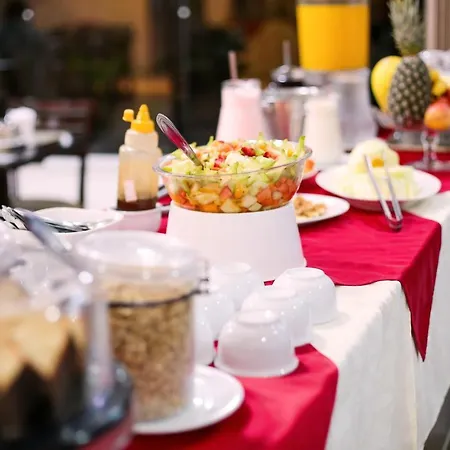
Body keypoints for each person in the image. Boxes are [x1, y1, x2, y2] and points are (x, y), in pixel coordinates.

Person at [0, 0, 54, 98]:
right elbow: (45, 49)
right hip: (28, 81)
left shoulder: (5, 32)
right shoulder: (28, 32)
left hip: (10, 82)